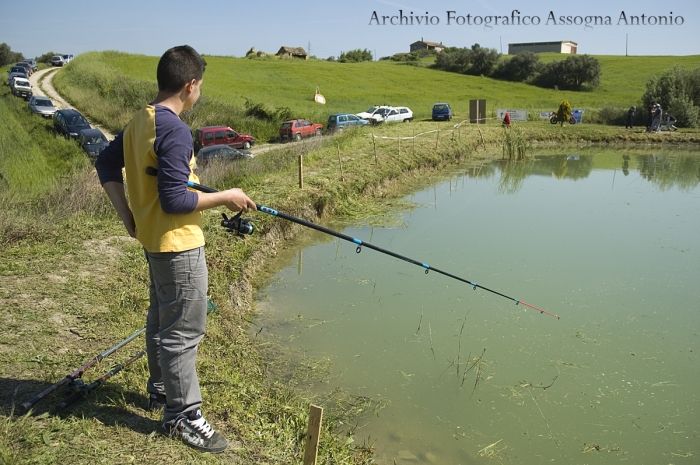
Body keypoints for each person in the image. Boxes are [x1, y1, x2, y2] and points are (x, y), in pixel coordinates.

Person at [95, 45, 256, 454]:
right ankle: (183, 416)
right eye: (199, 86)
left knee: (161, 319)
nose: (199, 92)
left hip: (153, 241)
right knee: (184, 331)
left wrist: (128, 215)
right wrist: (226, 196)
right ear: (190, 85)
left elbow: (106, 164)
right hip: (178, 245)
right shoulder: (176, 130)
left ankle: (161, 389)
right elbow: (175, 200)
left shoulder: (141, 120)